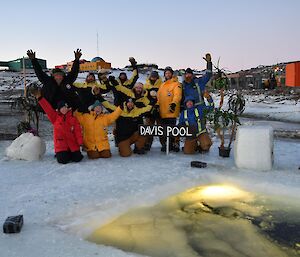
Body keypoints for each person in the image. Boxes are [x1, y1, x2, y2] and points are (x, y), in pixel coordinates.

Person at [31, 89, 83, 164]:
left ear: (68, 108)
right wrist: (40, 98)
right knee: (63, 160)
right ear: (59, 109)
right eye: (62, 108)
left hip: (72, 143)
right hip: (61, 144)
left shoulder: (73, 118)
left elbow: (77, 131)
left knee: (78, 158)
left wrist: (80, 142)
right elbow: (47, 108)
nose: (64, 109)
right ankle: (61, 154)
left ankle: (70, 153)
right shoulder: (55, 117)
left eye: (65, 107)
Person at [157, 66, 182, 152]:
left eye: (169, 73)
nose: (167, 74)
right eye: (166, 73)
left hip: (171, 111)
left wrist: (174, 104)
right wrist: (157, 105)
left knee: (172, 129)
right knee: (163, 130)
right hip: (162, 112)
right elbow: (159, 97)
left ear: (172, 74)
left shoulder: (176, 84)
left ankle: (173, 144)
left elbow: (177, 95)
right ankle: (166, 144)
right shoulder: (162, 85)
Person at [143, 71, 163, 151]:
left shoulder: (161, 84)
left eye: (155, 76)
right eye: (152, 76)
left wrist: (158, 104)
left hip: (159, 109)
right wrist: (148, 105)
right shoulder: (146, 85)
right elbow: (143, 97)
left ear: (157, 77)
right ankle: (148, 143)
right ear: (150, 77)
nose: (153, 78)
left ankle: (164, 143)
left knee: (160, 127)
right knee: (149, 127)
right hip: (149, 109)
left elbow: (163, 96)